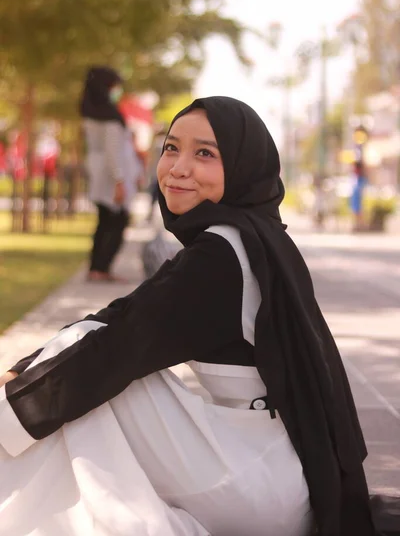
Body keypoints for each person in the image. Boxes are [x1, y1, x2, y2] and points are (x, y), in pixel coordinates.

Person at [0, 97, 376, 536]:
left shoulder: (221, 256)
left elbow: (120, 342)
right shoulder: (249, 237)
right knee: (83, 361)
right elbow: (129, 313)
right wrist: (22, 374)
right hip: (272, 468)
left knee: (94, 383)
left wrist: (16, 393)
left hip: (258, 483)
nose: (178, 167)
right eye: (171, 148)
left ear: (241, 166)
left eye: (205, 154)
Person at [80, 66, 140, 282]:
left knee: (104, 221)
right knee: (117, 220)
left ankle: (96, 268)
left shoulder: (91, 115)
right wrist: (120, 181)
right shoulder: (110, 118)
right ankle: (102, 268)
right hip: (111, 176)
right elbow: (113, 152)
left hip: (99, 174)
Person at [350, 160, 368, 232]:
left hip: (360, 198)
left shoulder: (362, 178)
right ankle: (357, 225)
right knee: (355, 211)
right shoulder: (354, 177)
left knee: (359, 211)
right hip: (355, 198)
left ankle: (361, 226)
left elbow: (363, 188)